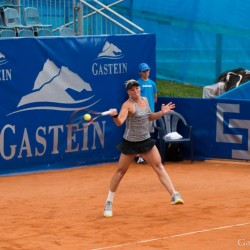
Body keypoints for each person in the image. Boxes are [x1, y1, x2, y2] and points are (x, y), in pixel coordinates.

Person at [103, 79, 184, 218]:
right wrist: (114, 115)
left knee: (158, 166)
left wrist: (161, 112)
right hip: (130, 143)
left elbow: (149, 117)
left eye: (137, 88)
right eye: (132, 90)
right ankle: (108, 203)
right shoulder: (127, 105)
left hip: (145, 141)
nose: (136, 91)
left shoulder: (145, 99)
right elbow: (119, 122)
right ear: (128, 92)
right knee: (120, 172)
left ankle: (174, 194)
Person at [135, 63, 158, 164]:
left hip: (150, 112)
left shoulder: (152, 83)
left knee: (148, 134)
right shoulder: (137, 84)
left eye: (147, 70)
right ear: (140, 72)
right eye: (144, 71)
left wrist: (151, 108)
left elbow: (155, 98)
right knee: (141, 134)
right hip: (140, 113)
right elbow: (135, 98)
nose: (146, 73)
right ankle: (139, 156)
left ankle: (146, 155)